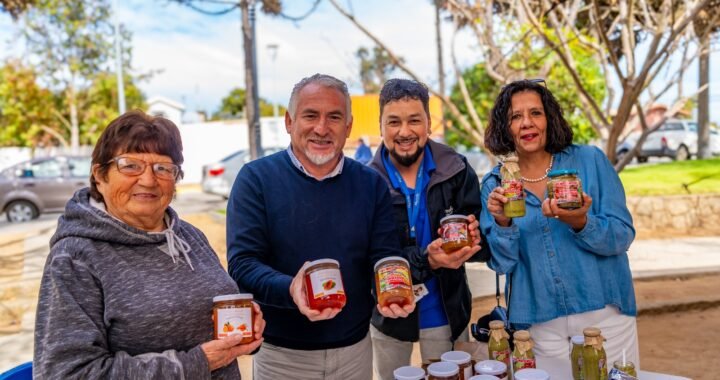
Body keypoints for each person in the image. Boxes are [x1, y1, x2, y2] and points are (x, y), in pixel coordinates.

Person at [33, 110, 265, 379]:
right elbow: (66, 373)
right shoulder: (76, 257)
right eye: (130, 165)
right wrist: (197, 363)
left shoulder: (189, 236)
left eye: (162, 168)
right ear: (100, 174)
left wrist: (241, 326)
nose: (148, 179)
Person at [226, 73, 415, 380]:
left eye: (335, 117)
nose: (322, 128)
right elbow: (243, 264)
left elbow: (384, 255)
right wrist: (290, 288)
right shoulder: (256, 179)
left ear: (349, 126)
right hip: (282, 358)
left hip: (355, 351)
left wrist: (390, 286)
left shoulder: (371, 184)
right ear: (289, 122)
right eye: (310, 115)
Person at [480, 79, 639, 366]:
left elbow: (622, 235)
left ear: (549, 119)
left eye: (535, 113)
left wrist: (581, 222)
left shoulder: (590, 161)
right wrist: (503, 223)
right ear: (505, 128)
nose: (526, 123)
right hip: (539, 324)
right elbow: (502, 264)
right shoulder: (495, 184)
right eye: (516, 116)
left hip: (605, 315)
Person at [367, 79, 488, 380]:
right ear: (381, 126)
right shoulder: (365, 182)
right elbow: (365, 256)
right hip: (388, 314)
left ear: (429, 123)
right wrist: (428, 259)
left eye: (414, 120)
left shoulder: (457, 169)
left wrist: (477, 238)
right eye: (394, 122)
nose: (404, 132)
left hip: (446, 312)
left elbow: (484, 244)